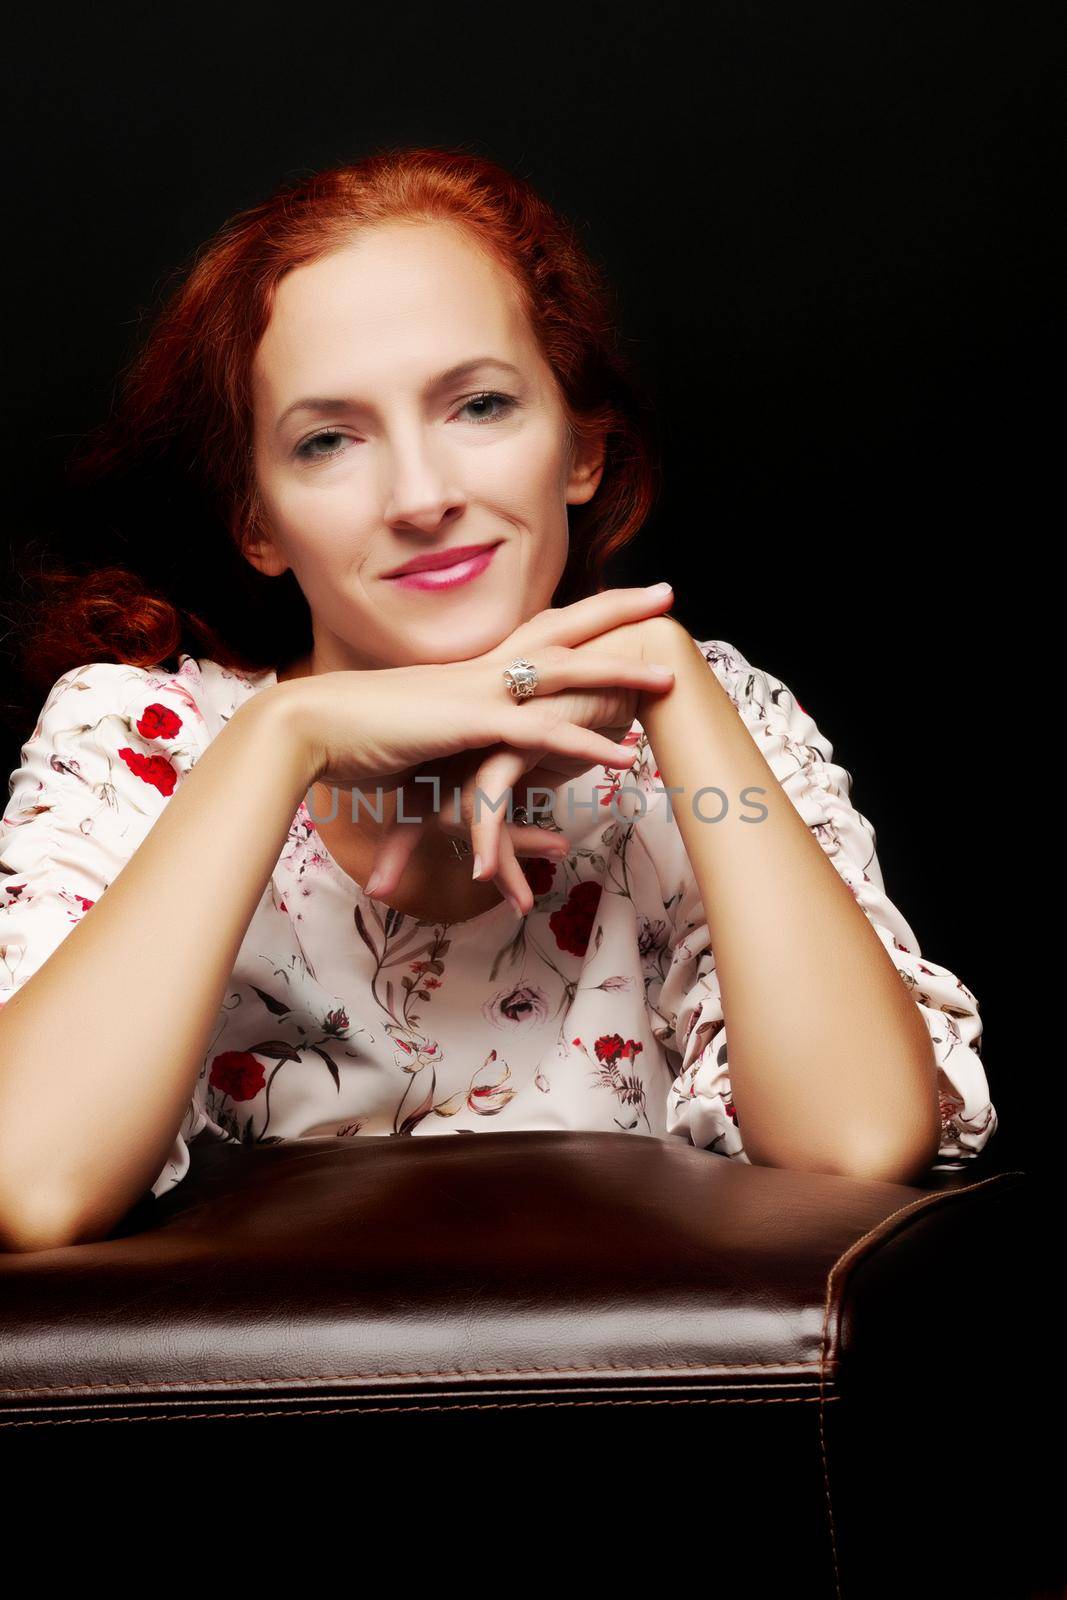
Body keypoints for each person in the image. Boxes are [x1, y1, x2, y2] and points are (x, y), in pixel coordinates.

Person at [0, 148, 996, 1251]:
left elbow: (856, 1143)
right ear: (258, 522)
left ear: (578, 448)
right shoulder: (138, 740)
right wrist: (286, 736)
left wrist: (667, 674)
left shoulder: (714, 728)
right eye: (328, 440)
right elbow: (31, 1183)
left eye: (477, 404)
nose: (422, 496)